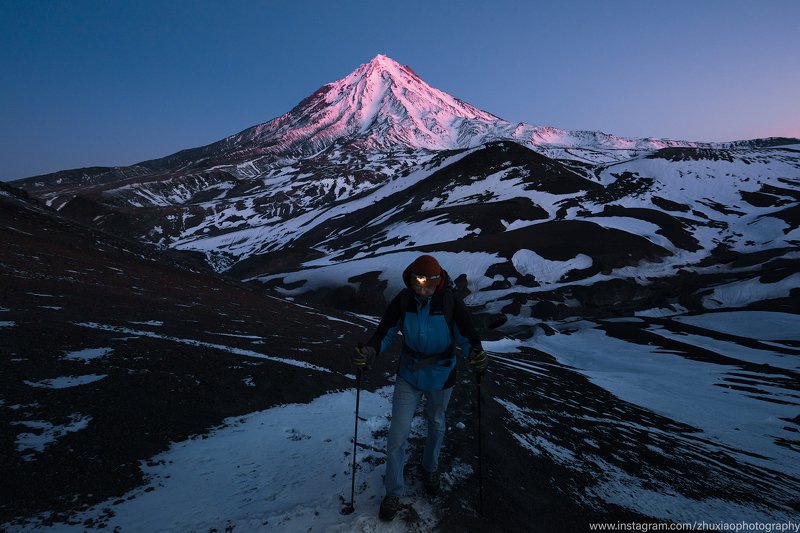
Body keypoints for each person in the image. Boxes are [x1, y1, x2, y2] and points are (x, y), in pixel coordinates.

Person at [353, 254, 488, 521]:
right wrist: (370, 350)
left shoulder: (450, 303)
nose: (422, 289)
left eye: (428, 284)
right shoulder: (404, 301)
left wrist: (476, 353)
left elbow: (467, 336)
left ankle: (430, 468)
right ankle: (393, 491)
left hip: (441, 375)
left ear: (438, 282)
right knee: (397, 435)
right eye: (418, 283)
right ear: (411, 280)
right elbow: (385, 331)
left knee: (436, 424)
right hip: (409, 375)